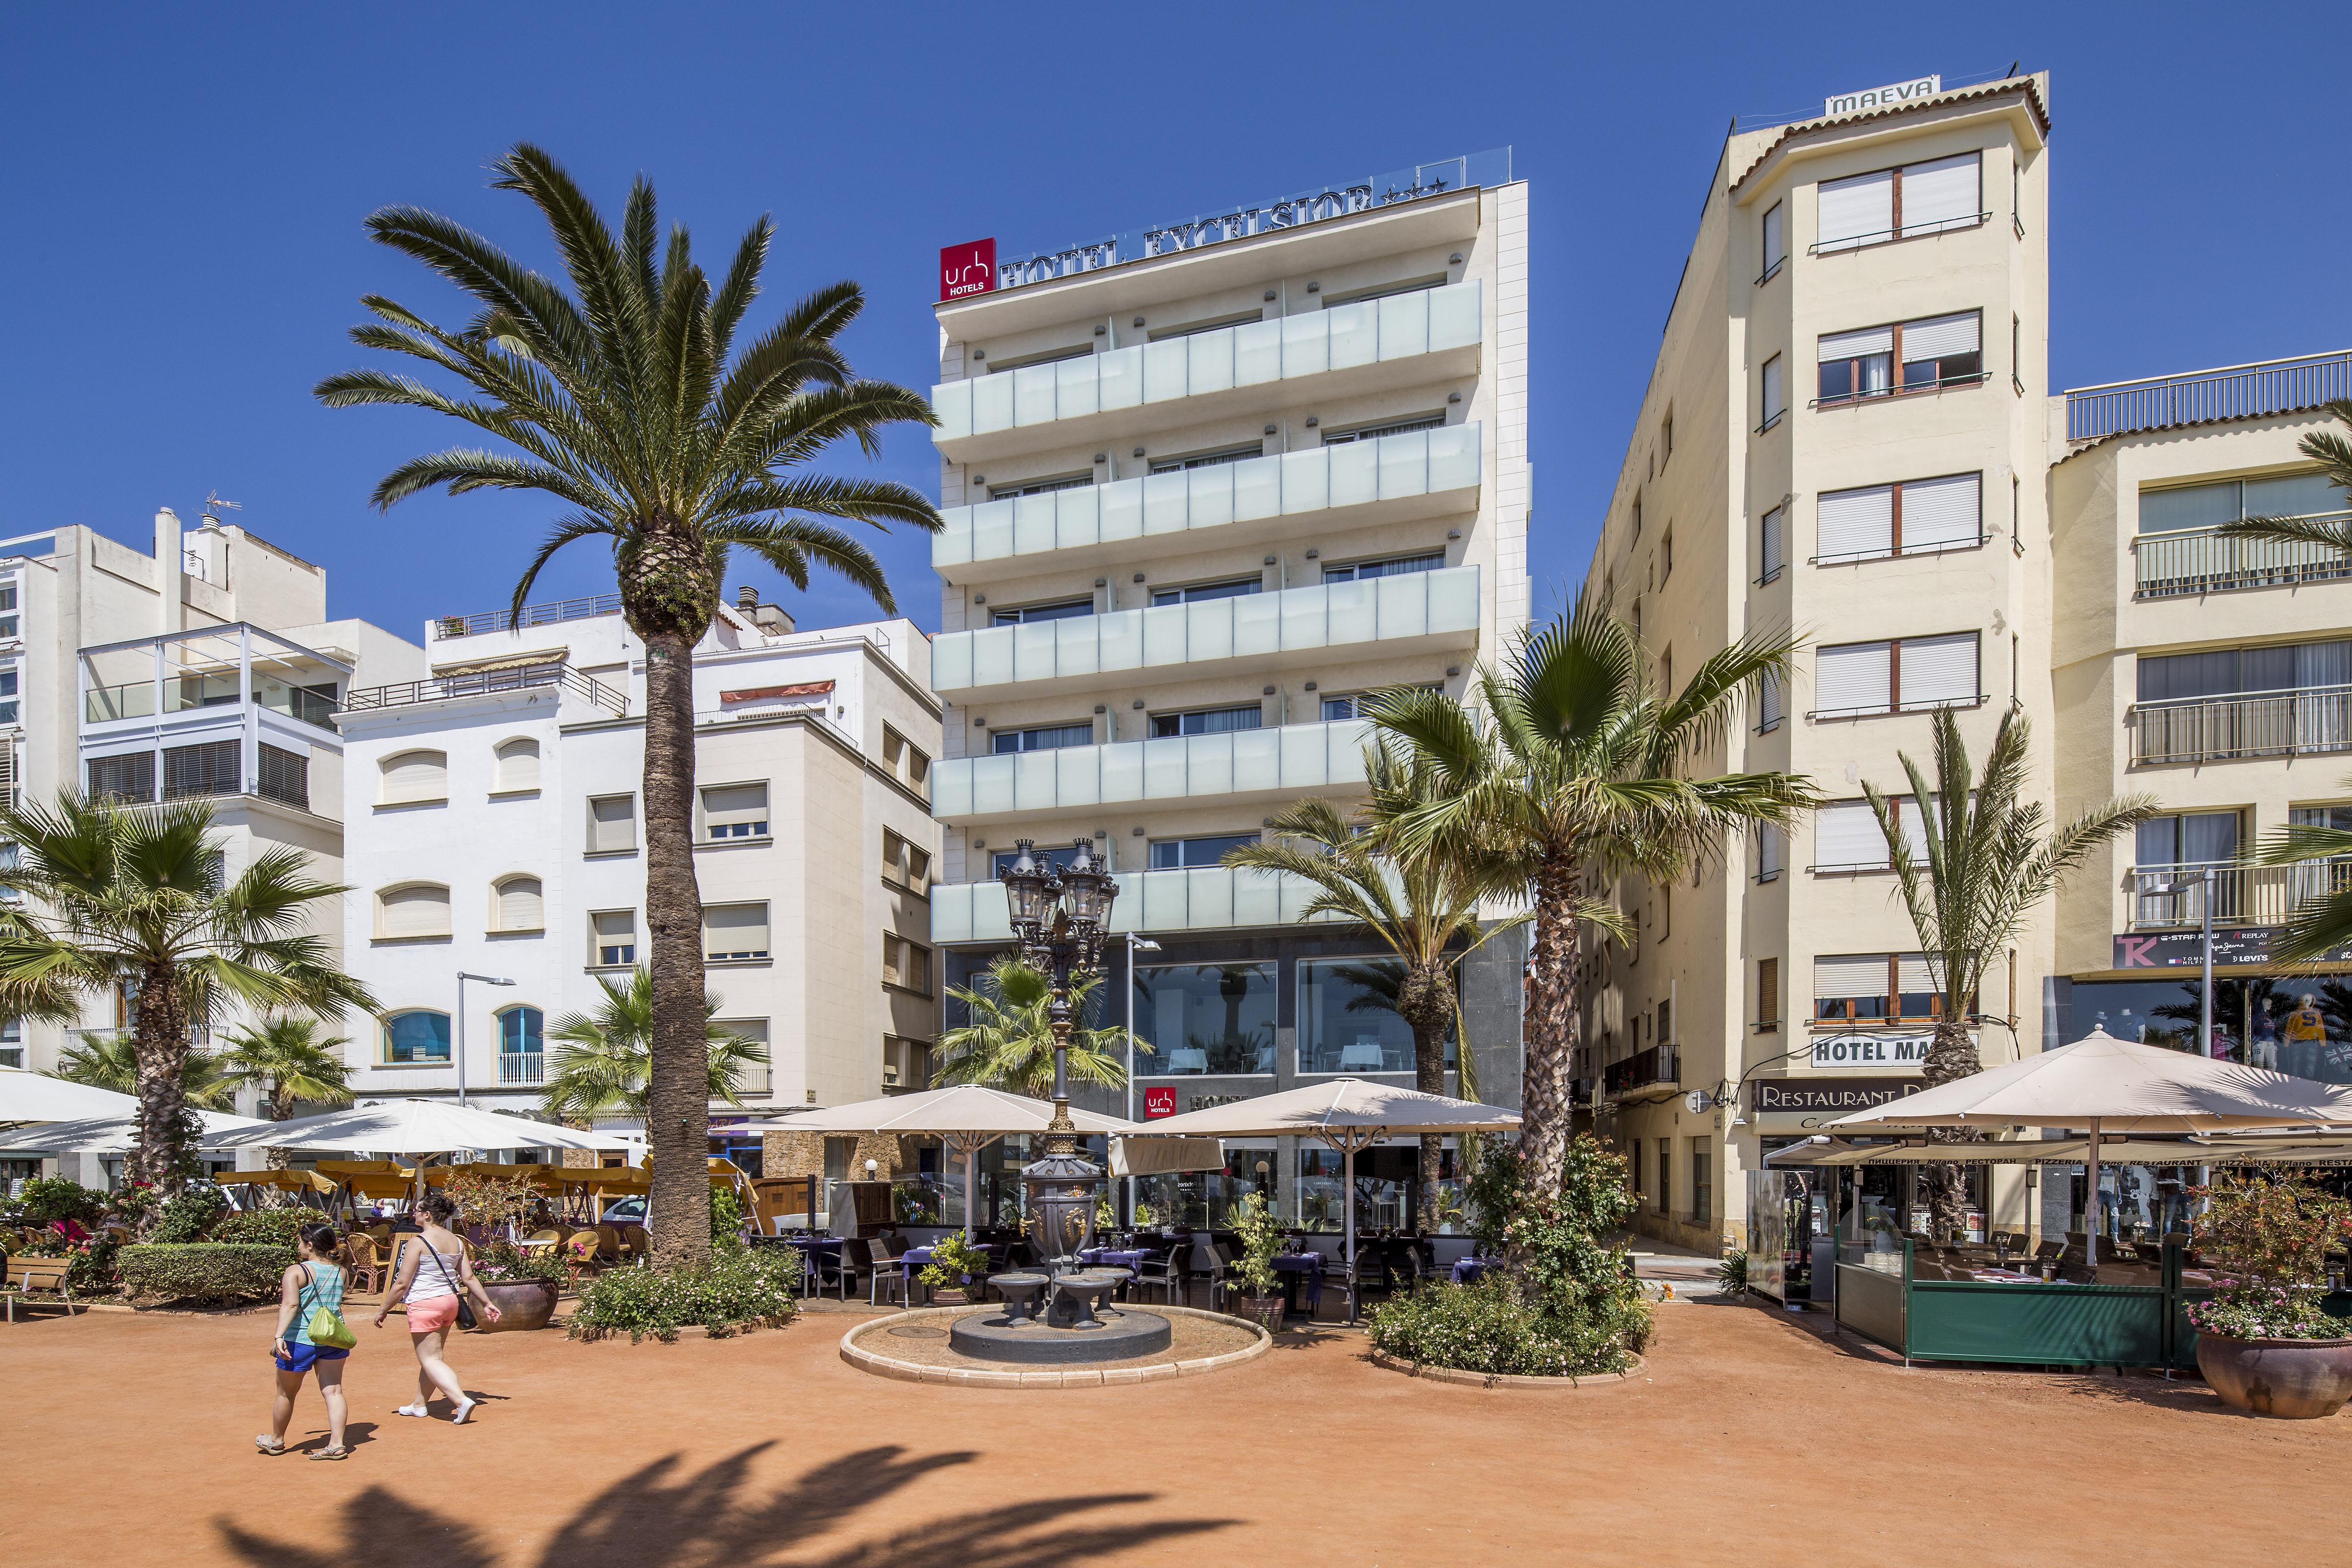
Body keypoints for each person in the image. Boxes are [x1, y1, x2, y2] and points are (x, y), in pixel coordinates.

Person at [374, 1190, 501, 1423]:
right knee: (433, 1357)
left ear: (428, 1215)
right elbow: (469, 1278)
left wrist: (384, 1309)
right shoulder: (457, 1241)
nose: (414, 1214)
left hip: (425, 1303)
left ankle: (460, 1400)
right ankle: (420, 1405)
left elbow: (402, 1283)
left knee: (431, 1359)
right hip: (450, 1303)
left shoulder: (417, 1242)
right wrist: (487, 1302)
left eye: (417, 1211)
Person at [258, 1222, 352, 1460]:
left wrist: (279, 1335)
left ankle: (277, 1441)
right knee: (334, 1391)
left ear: (309, 1245)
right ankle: (337, 1445)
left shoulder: (296, 1271)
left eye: (301, 1242)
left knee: (286, 1394)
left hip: (300, 1339)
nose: (299, 1246)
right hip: (334, 1338)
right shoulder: (341, 1271)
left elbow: (290, 1305)